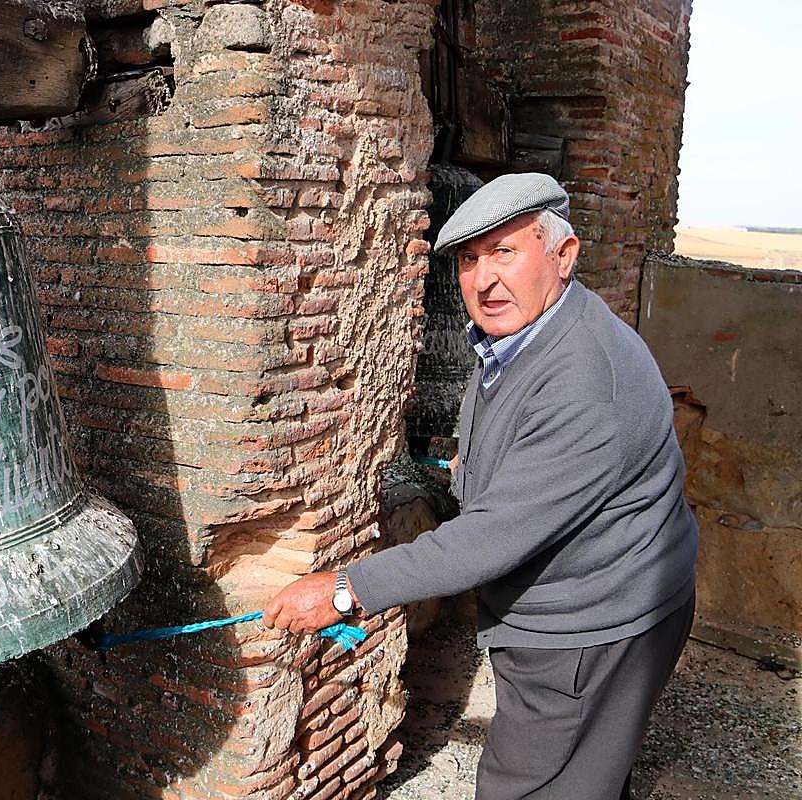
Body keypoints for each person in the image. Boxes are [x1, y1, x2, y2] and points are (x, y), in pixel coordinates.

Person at [262, 173, 699, 800]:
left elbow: (493, 538)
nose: (483, 278)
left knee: (528, 786)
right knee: (589, 773)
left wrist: (345, 589)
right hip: (595, 600)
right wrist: (470, 468)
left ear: (563, 255)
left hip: (592, 626)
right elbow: (508, 436)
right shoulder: (525, 338)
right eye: (469, 259)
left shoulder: (584, 379)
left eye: (504, 252)